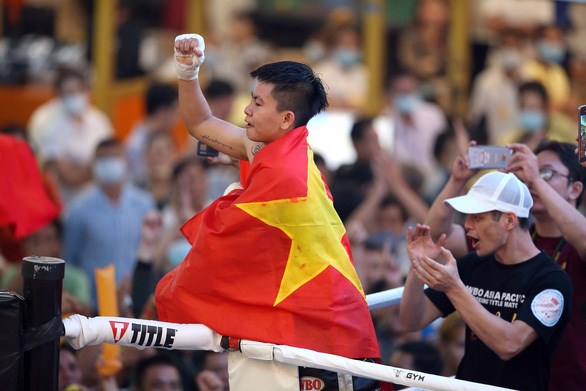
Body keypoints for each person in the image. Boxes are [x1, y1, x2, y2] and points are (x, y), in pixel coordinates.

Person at [155, 34, 383, 391]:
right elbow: (201, 125)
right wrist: (188, 73)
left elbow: (221, 232)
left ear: (286, 118)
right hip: (303, 325)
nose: (246, 110)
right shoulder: (276, 145)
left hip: (323, 333)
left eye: (257, 103)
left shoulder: (286, 174)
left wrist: (235, 192)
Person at [425, 140, 586, 390]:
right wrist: (457, 180)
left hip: (571, 379)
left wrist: (536, 181)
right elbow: (435, 236)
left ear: (575, 188)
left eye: (546, 172)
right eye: (526, 169)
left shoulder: (577, 243)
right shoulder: (502, 239)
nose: (530, 178)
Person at [62, 138, 156, 309]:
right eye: (103, 159)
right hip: (93, 305)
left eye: (114, 158)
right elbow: (69, 260)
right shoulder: (78, 210)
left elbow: (151, 250)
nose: (109, 164)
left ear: (125, 161)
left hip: (136, 301)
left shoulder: (144, 204)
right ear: (94, 165)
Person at [28, 67, 114, 204]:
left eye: (78, 91)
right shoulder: (47, 124)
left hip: (98, 199)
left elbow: (112, 157)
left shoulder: (99, 120)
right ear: (58, 95)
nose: (75, 96)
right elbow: (68, 177)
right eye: (69, 93)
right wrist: (94, 168)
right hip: (64, 201)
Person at [125, 83, 180, 186]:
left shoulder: (163, 134)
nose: (178, 117)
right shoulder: (136, 145)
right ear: (163, 111)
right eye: (176, 110)